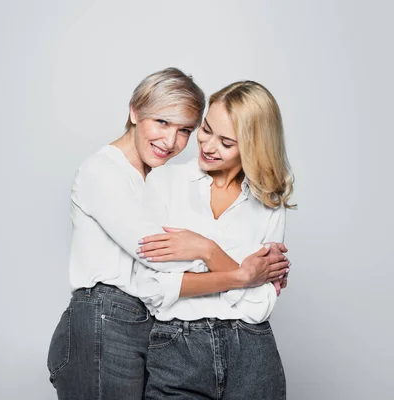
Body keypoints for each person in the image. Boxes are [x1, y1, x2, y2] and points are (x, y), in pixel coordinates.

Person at [47, 69, 290, 400]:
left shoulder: (156, 176)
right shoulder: (104, 172)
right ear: (134, 111)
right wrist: (242, 272)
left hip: (153, 329)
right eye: (162, 122)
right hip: (105, 319)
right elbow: (157, 262)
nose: (172, 141)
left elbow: (258, 296)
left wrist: (206, 255)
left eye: (185, 129)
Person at [136, 80, 294, 400]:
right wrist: (242, 276)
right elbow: (152, 288)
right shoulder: (164, 182)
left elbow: (259, 305)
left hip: (252, 352)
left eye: (226, 142)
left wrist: (207, 251)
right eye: (206, 130)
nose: (208, 146)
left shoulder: (269, 202)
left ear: (253, 145)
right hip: (177, 351)